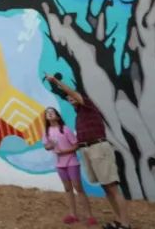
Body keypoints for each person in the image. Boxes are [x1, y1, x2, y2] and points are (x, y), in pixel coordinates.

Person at [45, 74, 131, 229]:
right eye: (69, 98)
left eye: (73, 96)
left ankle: (125, 224)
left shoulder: (88, 106)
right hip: (88, 150)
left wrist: (56, 81)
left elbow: (70, 92)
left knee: (112, 187)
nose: (70, 98)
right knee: (105, 187)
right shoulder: (79, 115)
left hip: (98, 148)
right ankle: (118, 220)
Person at [43, 106, 95, 226]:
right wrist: (50, 145)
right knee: (67, 188)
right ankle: (73, 215)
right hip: (59, 164)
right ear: (45, 117)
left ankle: (89, 216)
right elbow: (46, 146)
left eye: (52, 112)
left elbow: (76, 145)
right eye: (47, 113)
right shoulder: (46, 131)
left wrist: (64, 152)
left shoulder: (65, 129)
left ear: (58, 116)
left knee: (78, 187)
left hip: (71, 162)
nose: (49, 114)